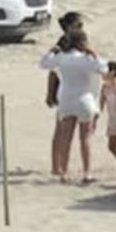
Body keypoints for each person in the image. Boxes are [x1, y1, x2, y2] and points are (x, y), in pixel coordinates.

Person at [39, 29, 105, 183]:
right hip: (85, 101)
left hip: (66, 100)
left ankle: (63, 172)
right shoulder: (86, 59)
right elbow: (104, 68)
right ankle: (87, 172)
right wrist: (93, 52)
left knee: (65, 138)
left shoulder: (62, 58)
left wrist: (52, 51)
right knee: (85, 139)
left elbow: (43, 64)